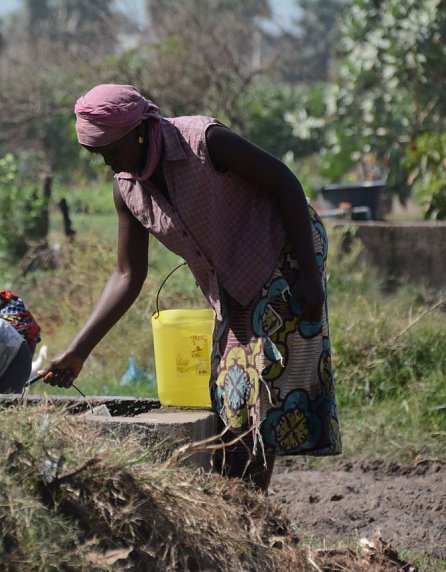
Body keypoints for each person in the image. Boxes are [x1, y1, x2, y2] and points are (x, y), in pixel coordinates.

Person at [39, 84, 341, 490]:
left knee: (259, 392)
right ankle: (243, 504)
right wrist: (79, 351)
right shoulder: (126, 187)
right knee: (229, 389)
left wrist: (308, 274)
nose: (107, 161)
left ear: (139, 131)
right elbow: (128, 275)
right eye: (98, 154)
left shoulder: (204, 141)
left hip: (283, 252)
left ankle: (249, 506)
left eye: (111, 149)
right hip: (230, 280)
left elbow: (286, 183)